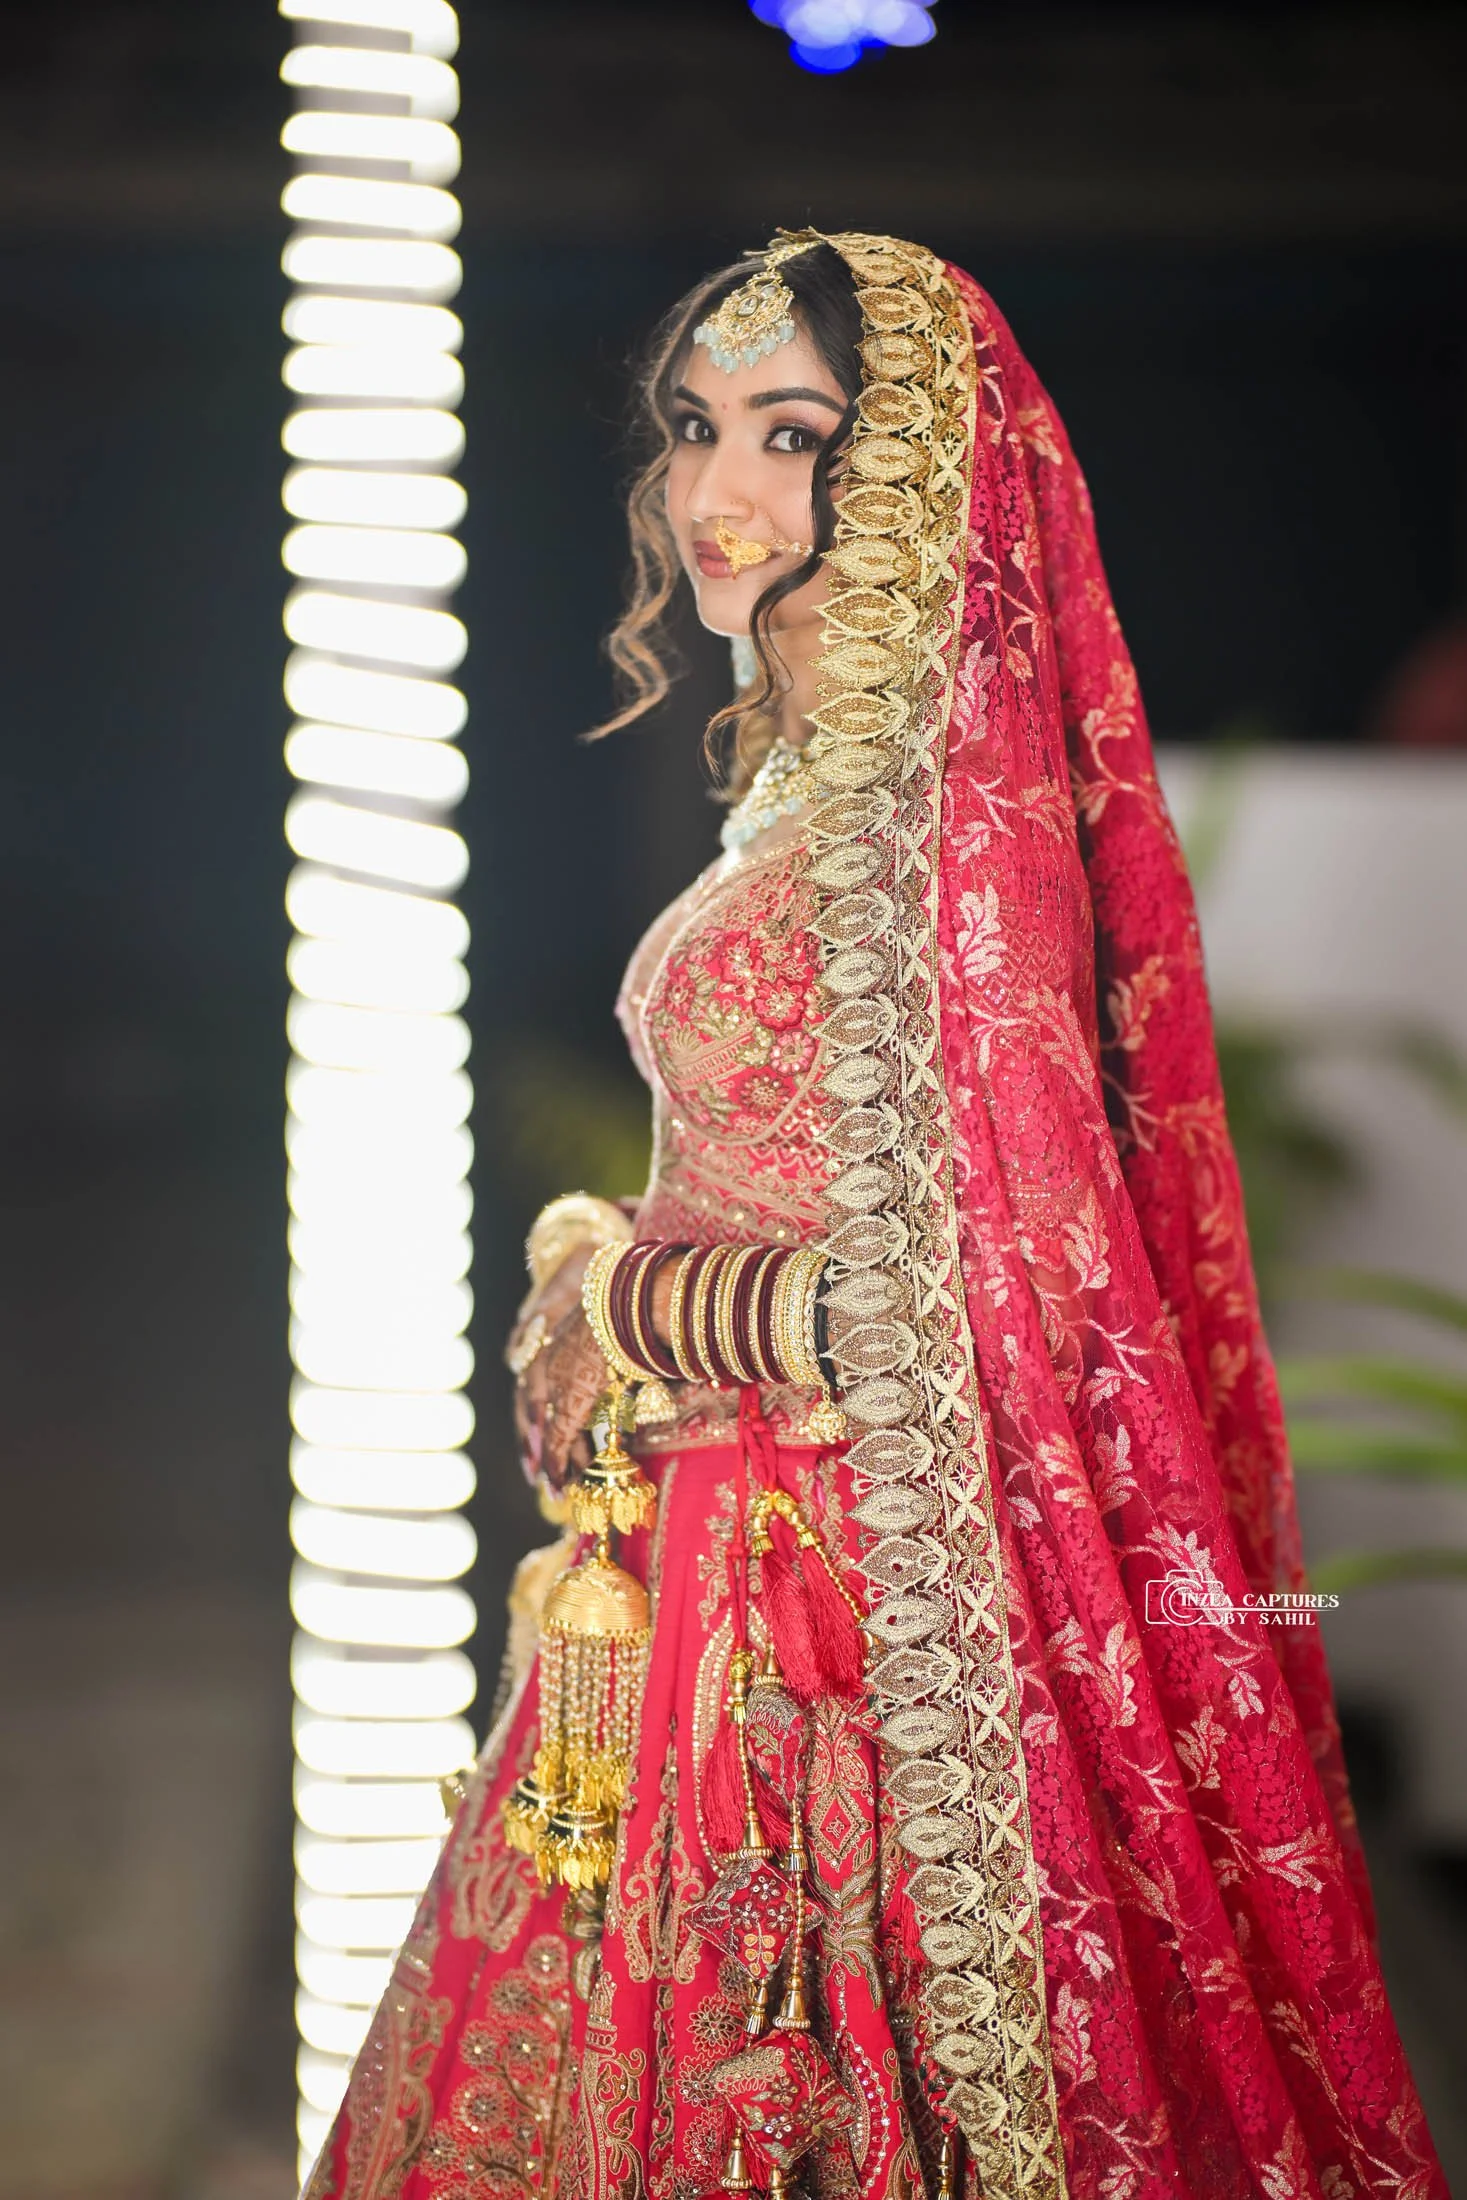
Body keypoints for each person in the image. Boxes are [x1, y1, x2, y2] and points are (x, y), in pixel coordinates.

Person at [303, 231, 1447, 2200]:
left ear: (908, 470)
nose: (713, 485)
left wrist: (623, 1298)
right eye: (691, 428)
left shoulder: (938, 823)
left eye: (788, 433)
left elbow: (994, 1297)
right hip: (700, 1557)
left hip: (834, 1610)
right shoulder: (806, 792)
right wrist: (605, 1258)